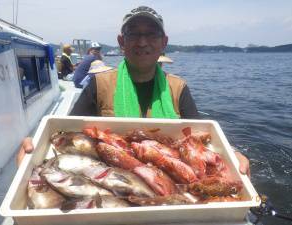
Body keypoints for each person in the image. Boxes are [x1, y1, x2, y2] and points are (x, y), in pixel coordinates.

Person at [17, 6, 250, 176]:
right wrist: (33, 147)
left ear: (163, 42)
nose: (142, 42)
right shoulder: (100, 85)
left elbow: (202, 137)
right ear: (121, 41)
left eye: (151, 34)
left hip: (172, 180)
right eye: (133, 34)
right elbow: (63, 133)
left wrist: (232, 153)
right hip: (113, 180)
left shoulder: (178, 88)